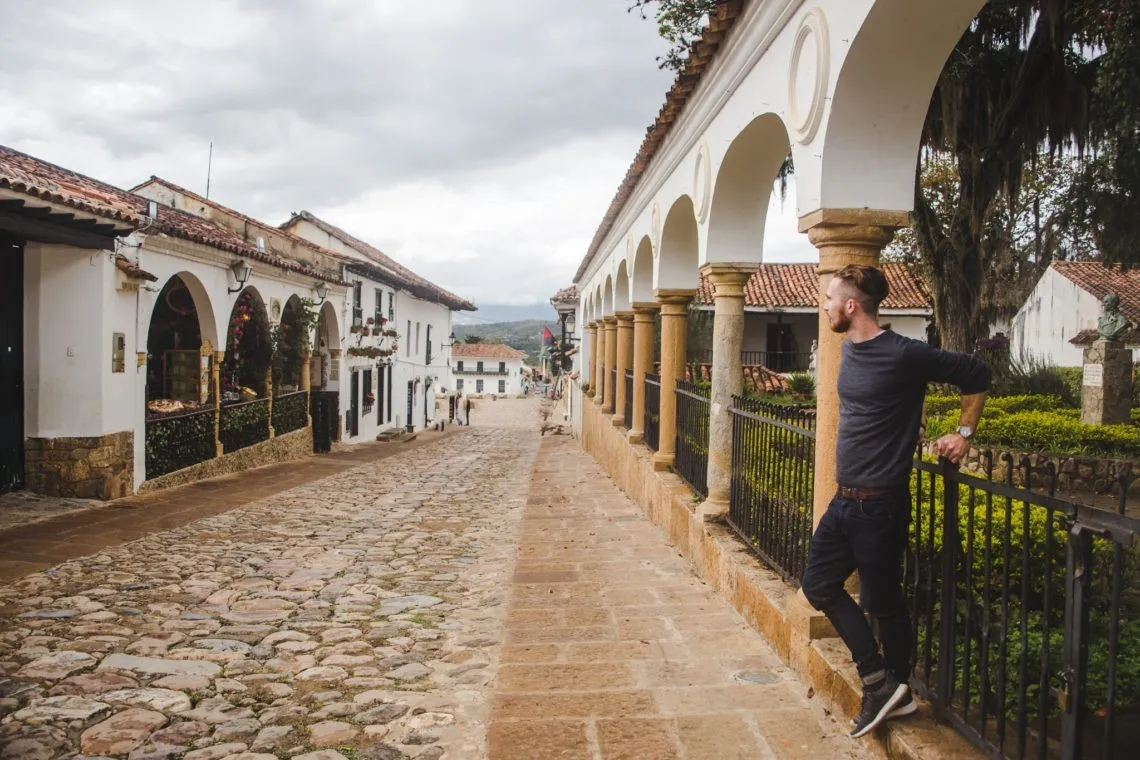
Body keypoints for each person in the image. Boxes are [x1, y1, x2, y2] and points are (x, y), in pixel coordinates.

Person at [799, 264, 990, 739]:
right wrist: (914, 418)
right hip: (845, 501)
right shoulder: (848, 349)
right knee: (818, 584)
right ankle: (880, 680)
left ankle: (893, 687)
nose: (823, 306)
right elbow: (885, 403)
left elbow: (977, 373)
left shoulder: (904, 353)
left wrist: (964, 432)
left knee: (884, 603)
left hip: (880, 505)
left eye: (828, 299)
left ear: (851, 306)